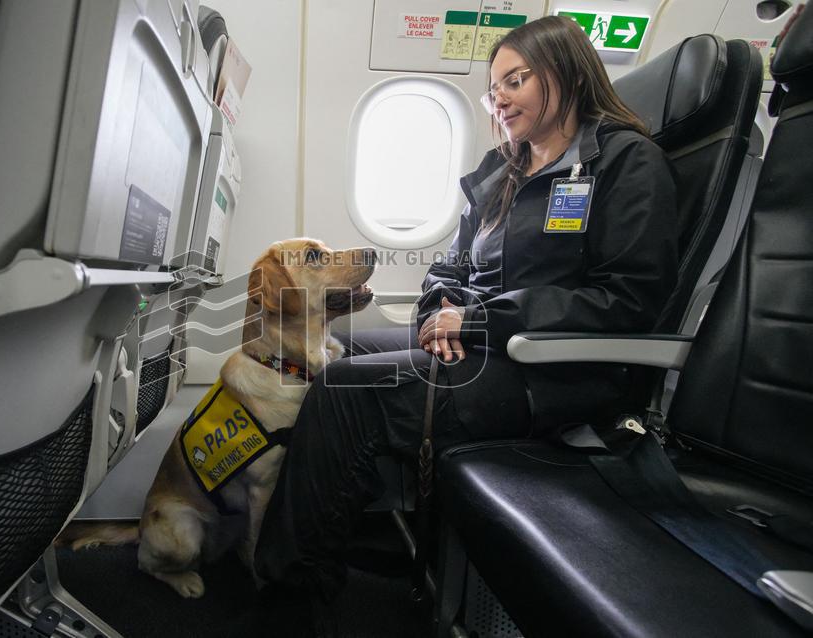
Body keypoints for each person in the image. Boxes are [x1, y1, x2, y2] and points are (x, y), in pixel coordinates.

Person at [253, 15, 678, 600]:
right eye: (492, 88)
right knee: (344, 351)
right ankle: (330, 539)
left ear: (567, 73)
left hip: (557, 371)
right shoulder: (503, 174)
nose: (498, 100)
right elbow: (447, 269)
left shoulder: (626, 163)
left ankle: (291, 596)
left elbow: (628, 298)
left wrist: (477, 320)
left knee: (346, 389)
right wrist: (435, 314)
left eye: (516, 81)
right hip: (482, 346)